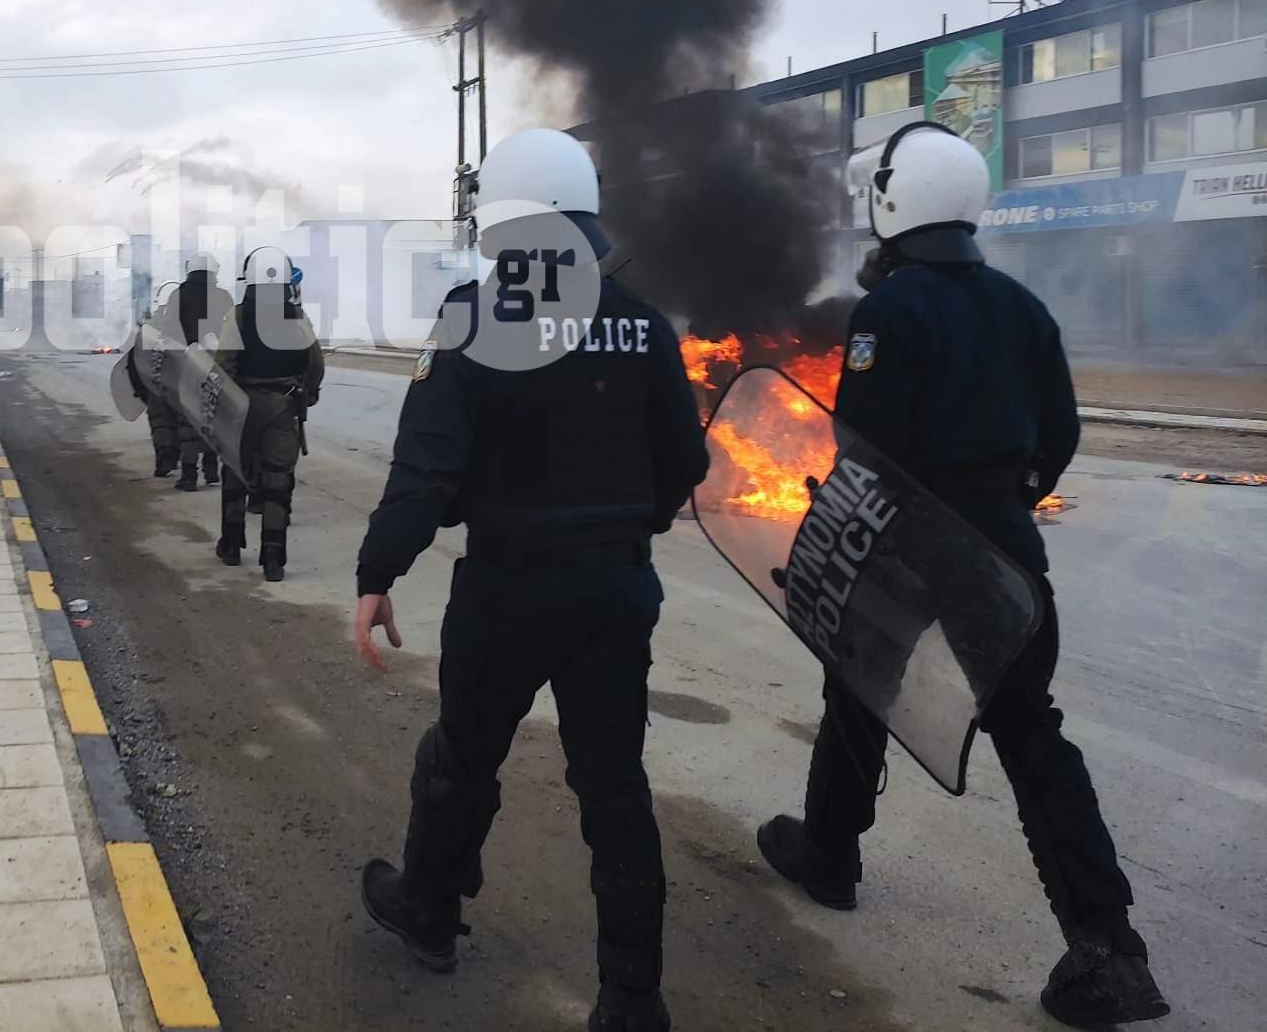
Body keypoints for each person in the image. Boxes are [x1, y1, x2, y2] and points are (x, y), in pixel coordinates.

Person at [757, 122, 1168, 1029]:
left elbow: (862, 444)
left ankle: (831, 854)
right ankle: (1110, 948)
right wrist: (1009, 498)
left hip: (908, 543)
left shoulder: (890, 310)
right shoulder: (1023, 306)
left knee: (861, 690)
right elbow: (1057, 433)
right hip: (1007, 553)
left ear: (892, 203)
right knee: (1031, 732)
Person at [353, 128, 707, 1032]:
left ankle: (430, 910)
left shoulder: (473, 316)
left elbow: (425, 469)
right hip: (613, 595)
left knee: (462, 758)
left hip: (505, 591)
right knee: (615, 788)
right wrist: (635, 525)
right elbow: (684, 461)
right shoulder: (642, 320)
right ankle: (633, 999)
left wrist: (377, 570)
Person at [211, 247, 324, 580]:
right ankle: (273, 558)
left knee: (234, 472)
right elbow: (314, 363)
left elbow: (223, 365)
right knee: (277, 481)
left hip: (241, 406)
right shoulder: (298, 318)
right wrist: (308, 393)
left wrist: (223, 404)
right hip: (282, 406)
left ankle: (231, 546)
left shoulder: (239, 316)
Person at [170, 255, 234, 492]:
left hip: (187, 364)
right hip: (217, 366)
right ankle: (211, 470)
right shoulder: (224, 297)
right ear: (213, 272)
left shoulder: (178, 296)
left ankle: (188, 476)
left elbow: (168, 333)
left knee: (188, 419)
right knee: (213, 416)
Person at [127, 282, 182, 477]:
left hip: (155, 383)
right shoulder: (184, 324)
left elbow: (134, 362)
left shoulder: (149, 328)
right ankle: (175, 457)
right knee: (177, 422)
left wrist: (141, 390)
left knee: (160, 423)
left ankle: (164, 459)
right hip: (176, 385)